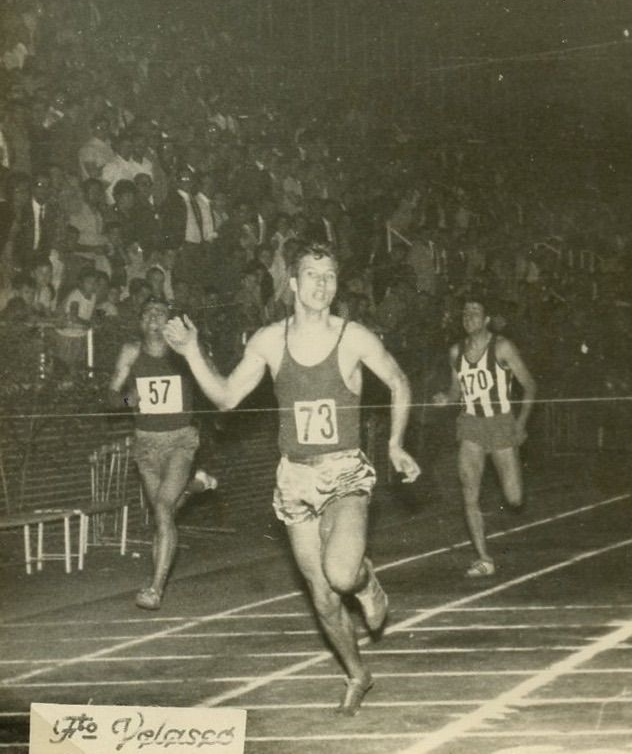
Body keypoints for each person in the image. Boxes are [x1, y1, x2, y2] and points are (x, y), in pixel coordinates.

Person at [163, 242, 420, 716]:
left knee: (340, 574)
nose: (322, 285)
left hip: (344, 471)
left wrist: (395, 444)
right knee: (322, 599)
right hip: (295, 479)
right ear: (294, 284)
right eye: (312, 275)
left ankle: (367, 584)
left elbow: (400, 381)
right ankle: (357, 674)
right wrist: (192, 351)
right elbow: (224, 398)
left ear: (336, 285)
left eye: (330, 276)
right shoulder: (268, 340)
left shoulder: (354, 336)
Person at [108, 298, 217, 611]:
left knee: (163, 508)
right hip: (145, 442)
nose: (154, 318)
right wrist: (131, 400)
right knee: (162, 515)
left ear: (170, 321)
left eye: (160, 313)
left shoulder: (183, 351)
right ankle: (197, 484)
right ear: (140, 322)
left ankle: (155, 588)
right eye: (148, 313)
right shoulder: (131, 351)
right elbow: (111, 397)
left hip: (181, 439)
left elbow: (212, 382)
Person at [434, 296, 537, 577]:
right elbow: (457, 391)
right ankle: (484, 558)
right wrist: (446, 397)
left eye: (475, 312)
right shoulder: (456, 352)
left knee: (514, 498)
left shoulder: (502, 347)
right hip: (470, 425)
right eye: (465, 313)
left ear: (487, 318)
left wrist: (521, 424)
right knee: (469, 492)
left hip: (501, 423)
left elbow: (530, 386)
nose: (469, 318)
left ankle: (512, 482)